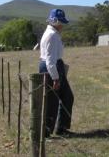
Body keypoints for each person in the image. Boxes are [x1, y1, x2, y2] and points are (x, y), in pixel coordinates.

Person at [39, 8, 74, 137]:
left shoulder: (52, 33)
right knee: (52, 101)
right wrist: (55, 78)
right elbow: (49, 60)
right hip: (51, 68)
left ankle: (60, 128)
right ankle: (48, 132)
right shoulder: (52, 35)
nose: (62, 25)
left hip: (53, 66)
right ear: (54, 21)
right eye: (60, 22)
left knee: (66, 97)